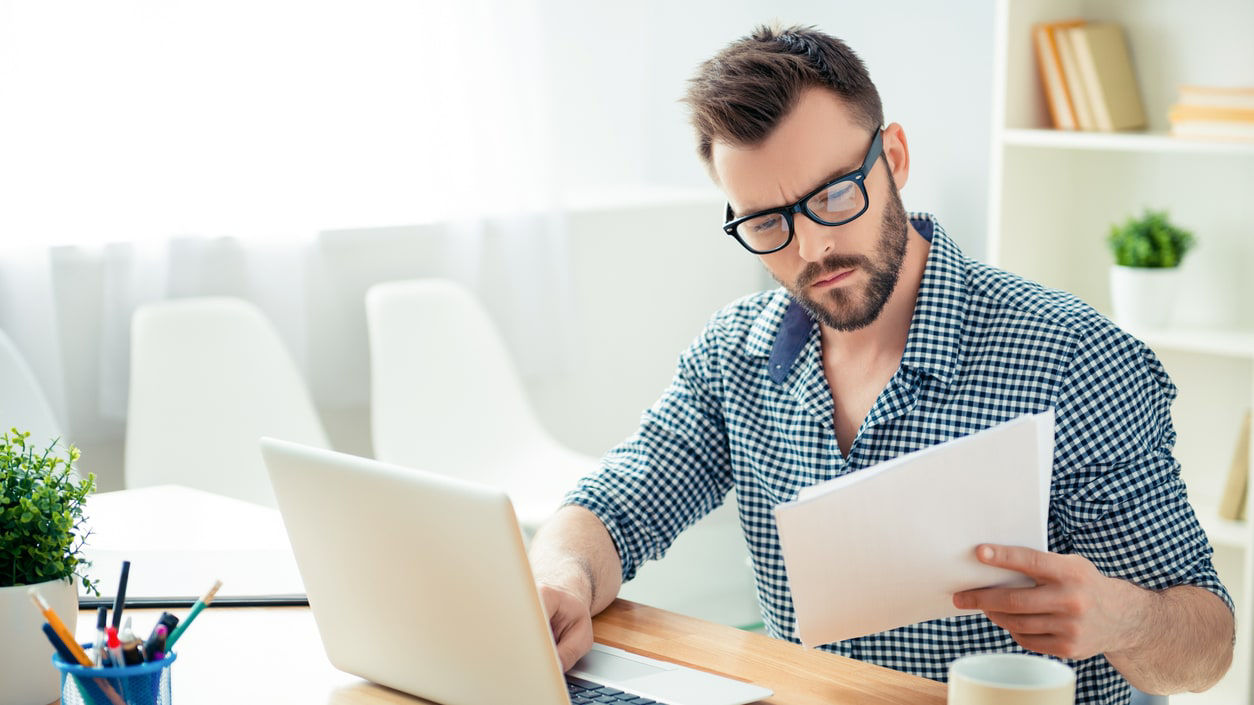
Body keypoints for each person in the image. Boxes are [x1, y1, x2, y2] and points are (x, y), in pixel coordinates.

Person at [527, 24, 1233, 705]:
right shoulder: (732, 354)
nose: (811, 248)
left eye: (833, 194)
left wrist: (1124, 620)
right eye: (768, 222)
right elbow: (616, 503)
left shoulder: (1074, 359)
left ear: (893, 157)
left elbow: (1208, 647)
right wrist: (559, 575)